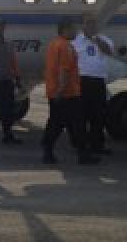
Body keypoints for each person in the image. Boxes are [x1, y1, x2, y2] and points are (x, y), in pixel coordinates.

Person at [43, 18, 97, 164]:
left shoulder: (53, 44)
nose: (76, 32)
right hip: (68, 93)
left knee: (56, 123)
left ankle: (48, 151)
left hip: (55, 91)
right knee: (77, 124)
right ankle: (83, 155)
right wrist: (61, 90)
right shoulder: (67, 47)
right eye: (73, 29)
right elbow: (64, 70)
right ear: (65, 30)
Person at [73, 16, 114, 155]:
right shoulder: (75, 41)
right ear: (82, 25)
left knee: (98, 116)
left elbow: (109, 51)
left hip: (98, 82)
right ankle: (82, 146)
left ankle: (97, 145)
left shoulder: (103, 39)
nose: (90, 26)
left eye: (93, 24)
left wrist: (96, 40)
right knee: (81, 116)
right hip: (82, 81)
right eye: (88, 23)